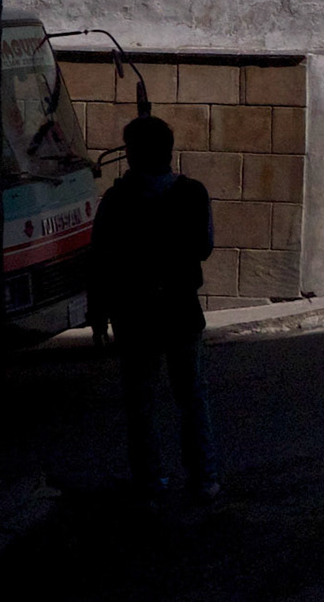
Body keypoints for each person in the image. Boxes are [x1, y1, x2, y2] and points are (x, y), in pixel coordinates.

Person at [88, 114, 220, 500]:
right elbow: (204, 247)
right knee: (191, 396)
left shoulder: (117, 200)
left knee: (141, 401)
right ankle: (204, 477)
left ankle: (150, 480)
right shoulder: (193, 193)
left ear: (132, 155)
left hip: (134, 312)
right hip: (180, 308)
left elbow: (101, 260)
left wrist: (98, 314)